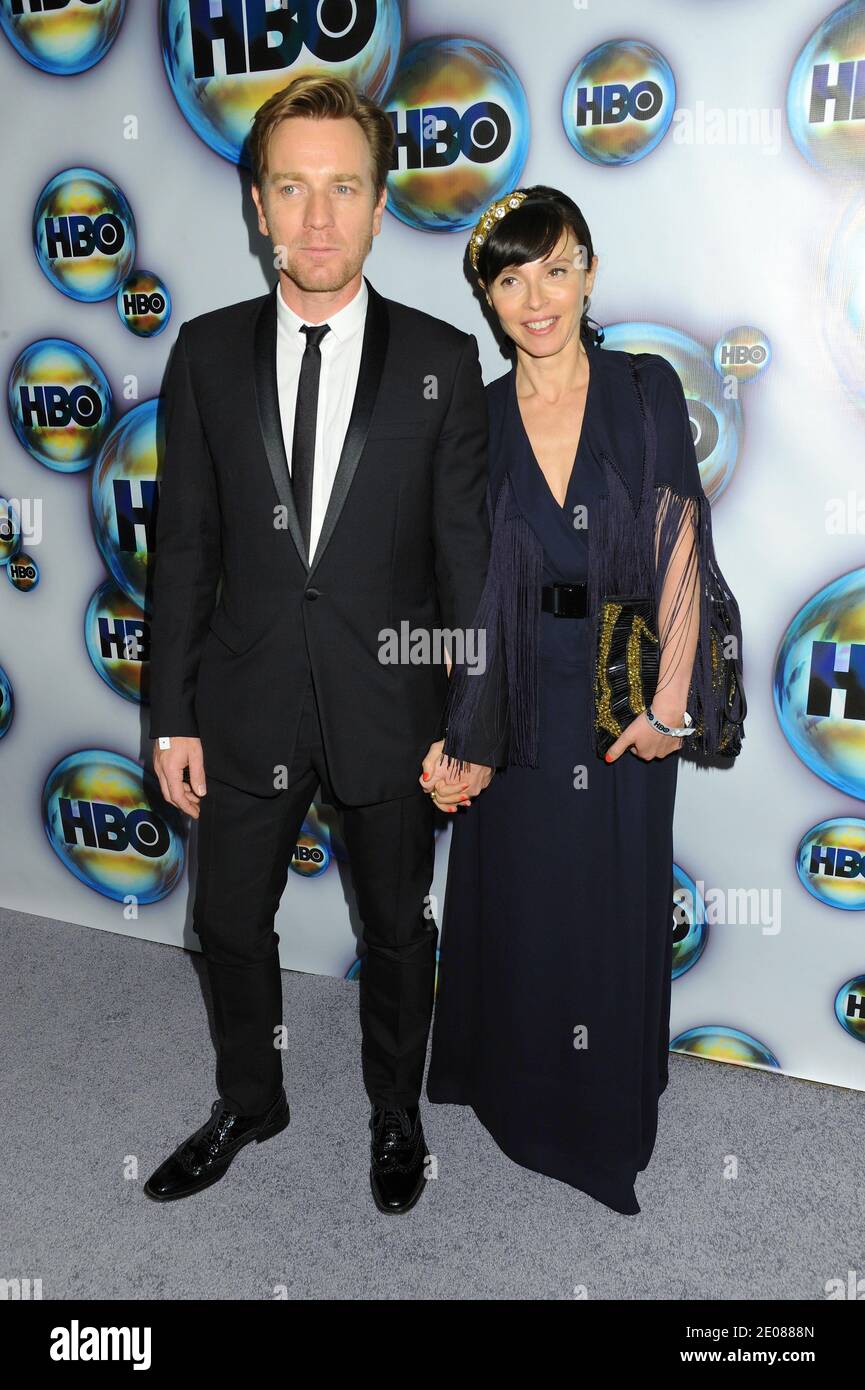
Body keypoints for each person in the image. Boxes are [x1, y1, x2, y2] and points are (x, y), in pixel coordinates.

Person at [143, 74, 495, 1213]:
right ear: (256, 204)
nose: (318, 218)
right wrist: (172, 715)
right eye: (291, 189)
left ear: (381, 204)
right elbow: (185, 551)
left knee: (396, 931)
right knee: (228, 920)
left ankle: (395, 1113)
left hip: (393, 711)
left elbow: (469, 571)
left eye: (344, 188)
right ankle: (252, 1097)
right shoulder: (201, 355)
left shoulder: (443, 365)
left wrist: (471, 723)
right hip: (243, 702)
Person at [422, 185, 745, 1215]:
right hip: (516, 686)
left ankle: (601, 1116)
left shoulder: (642, 390)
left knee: (606, 905)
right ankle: (517, 1094)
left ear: (588, 270)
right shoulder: (473, 415)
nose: (536, 296)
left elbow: (678, 542)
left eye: (555, 267)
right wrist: (462, 731)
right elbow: (461, 584)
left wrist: (672, 703)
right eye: (511, 277)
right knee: (518, 900)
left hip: (619, 692)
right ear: (488, 294)